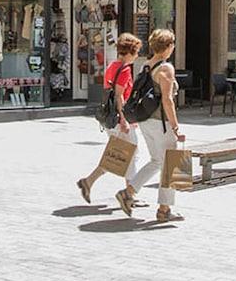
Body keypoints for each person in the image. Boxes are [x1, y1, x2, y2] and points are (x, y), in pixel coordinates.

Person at [116, 28, 184, 224]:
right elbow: (167, 100)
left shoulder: (146, 65)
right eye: (172, 44)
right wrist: (176, 126)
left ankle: (128, 192)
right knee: (171, 164)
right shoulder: (166, 68)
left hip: (146, 120)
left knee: (156, 161)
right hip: (161, 122)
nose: (173, 48)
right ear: (168, 46)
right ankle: (164, 209)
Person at [78, 33, 144, 204]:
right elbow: (119, 96)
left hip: (109, 118)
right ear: (129, 52)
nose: (137, 55)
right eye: (136, 52)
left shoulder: (112, 66)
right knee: (131, 153)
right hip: (120, 119)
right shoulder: (124, 70)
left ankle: (88, 182)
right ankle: (129, 194)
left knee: (117, 154)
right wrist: (124, 119)